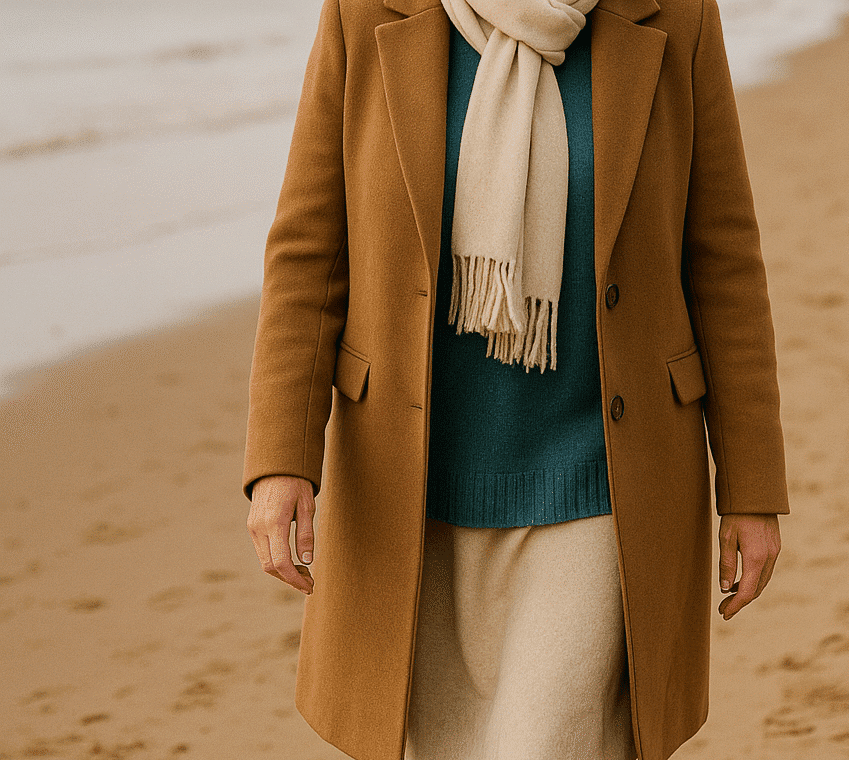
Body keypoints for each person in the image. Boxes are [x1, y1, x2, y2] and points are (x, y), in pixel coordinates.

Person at [243, 0, 789, 757]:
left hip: (600, 483)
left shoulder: (675, 14)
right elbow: (311, 246)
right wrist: (280, 459)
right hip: (414, 497)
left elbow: (723, 255)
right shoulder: (365, 13)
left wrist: (753, 486)